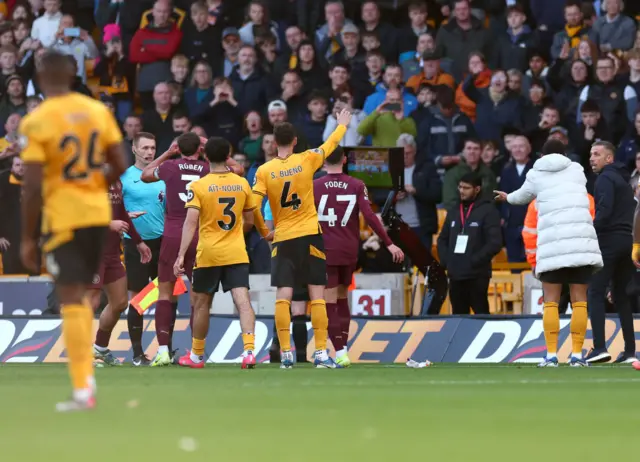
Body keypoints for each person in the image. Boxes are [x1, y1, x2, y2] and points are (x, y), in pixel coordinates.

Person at [19, 50, 127, 410]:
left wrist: (26, 237)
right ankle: (86, 384)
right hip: (97, 216)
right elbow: (121, 161)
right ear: (73, 73)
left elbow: (32, 187)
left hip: (64, 220)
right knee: (83, 295)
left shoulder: (38, 121)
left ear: (40, 76)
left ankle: (84, 388)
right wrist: (94, 185)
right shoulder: (97, 112)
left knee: (72, 298)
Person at [252, 109, 352, 368]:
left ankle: (285, 354)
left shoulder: (264, 170)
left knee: (283, 297)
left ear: (274, 143)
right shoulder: (307, 159)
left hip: (283, 238)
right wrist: (341, 126)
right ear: (294, 141)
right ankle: (320, 353)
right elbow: (329, 146)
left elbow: (253, 205)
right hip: (309, 234)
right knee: (317, 296)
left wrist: (265, 232)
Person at [494, 140, 603, 367]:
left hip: (553, 248)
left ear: (541, 154)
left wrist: (507, 197)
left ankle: (552, 355)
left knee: (551, 302)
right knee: (579, 301)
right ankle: (576, 356)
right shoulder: (577, 170)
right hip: (580, 246)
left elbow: (522, 197)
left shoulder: (536, 173)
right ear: (565, 153)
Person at [141, 132, 243, 366]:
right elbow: (238, 170)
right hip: (201, 236)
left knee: (165, 294)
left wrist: (167, 153)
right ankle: (195, 352)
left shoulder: (169, 167)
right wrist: (213, 150)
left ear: (178, 148)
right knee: (201, 299)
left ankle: (164, 350)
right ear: (199, 149)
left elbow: (146, 174)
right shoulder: (209, 169)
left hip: (173, 235)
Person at [314, 147, 404, 367]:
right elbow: (370, 216)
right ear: (345, 160)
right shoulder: (357, 185)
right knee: (343, 297)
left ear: (324, 162)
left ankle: (340, 352)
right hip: (349, 249)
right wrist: (389, 243)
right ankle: (343, 349)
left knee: (329, 301)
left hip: (324, 249)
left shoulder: (313, 185)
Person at [174, 137, 257, 369]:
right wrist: (235, 233)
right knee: (243, 302)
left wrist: (181, 254)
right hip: (236, 252)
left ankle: (197, 356)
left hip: (208, 253)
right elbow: (249, 220)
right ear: (228, 155)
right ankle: (249, 351)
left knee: (201, 305)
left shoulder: (198, 186)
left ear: (206, 157)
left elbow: (190, 223)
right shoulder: (241, 183)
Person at [89, 181, 151, 366]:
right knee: (91, 302)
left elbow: (121, 213)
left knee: (120, 302)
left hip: (112, 252)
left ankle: (99, 349)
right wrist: (108, 224)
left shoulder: (115, 180)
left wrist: (139, 242)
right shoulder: (87, 177)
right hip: (91, 251)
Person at [587, 141, 637, 364]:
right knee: (620, 296)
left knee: (595, 292)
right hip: (627, 241)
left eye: (597, 154)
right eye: (590, 154)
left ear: (609, 158)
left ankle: (599, 347)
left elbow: (604, 211)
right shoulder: (625, 182)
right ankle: (629, 351)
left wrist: (590, 230)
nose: (591, 158)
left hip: (608, 241)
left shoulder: (605, 178)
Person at [120, 132, 166, 366]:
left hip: (162, 243)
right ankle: (138, 353)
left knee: (166, 297)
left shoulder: (163, 176)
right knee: (137, 299)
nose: (150, 152)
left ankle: (164, 351)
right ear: (135, 149)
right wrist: (125, 216)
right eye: (145, 148)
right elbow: (111, 210)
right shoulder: (125, 178)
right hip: (136, 244)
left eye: (153, 147)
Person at [438, 172, 502, 315]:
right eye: (460, 187)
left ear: (477, 189)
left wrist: (474, 260)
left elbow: (495, 242)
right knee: (458, 315)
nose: (461, 191)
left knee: (481, 314)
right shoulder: (454, 210)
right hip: (455, 274)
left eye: (466, 188)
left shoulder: (488, 210)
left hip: (477, 274)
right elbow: (442, 239)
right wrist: (447, 261)